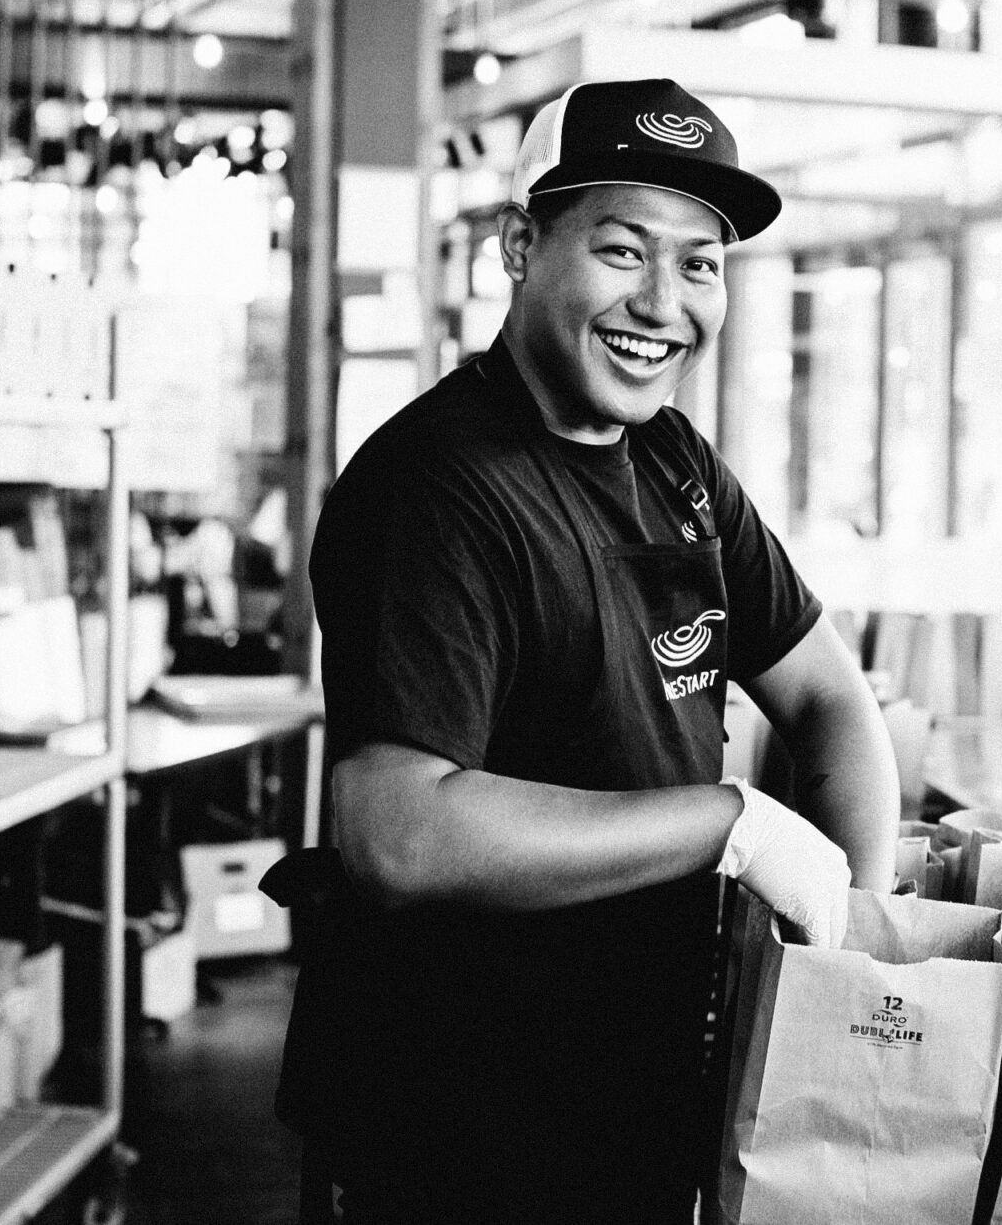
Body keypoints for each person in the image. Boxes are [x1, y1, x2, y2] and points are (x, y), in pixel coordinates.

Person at [278, 77, 899, 1225]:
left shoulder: (676, 467)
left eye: (699, 264)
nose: (662, 302)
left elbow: (825, 695)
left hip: (637, 1081)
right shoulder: (437, 489)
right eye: (623, 251)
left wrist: (859, 936)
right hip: (458, 1116)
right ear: (521, 246)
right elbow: (395, 831)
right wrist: (730, 823)